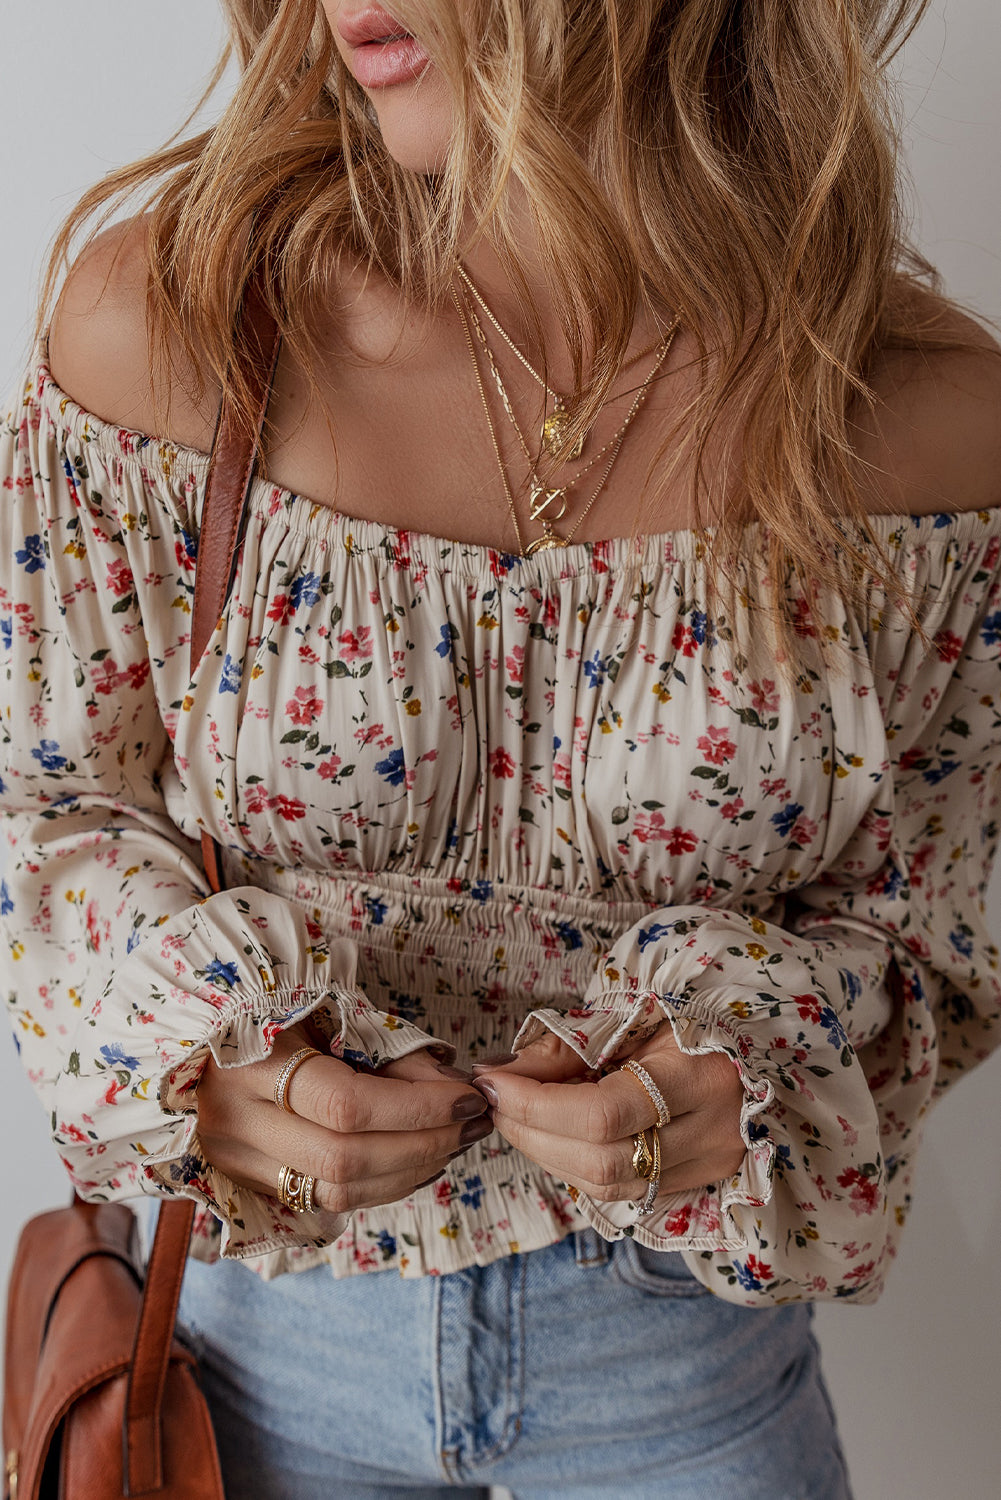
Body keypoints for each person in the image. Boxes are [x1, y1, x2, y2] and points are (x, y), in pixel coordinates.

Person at [3, 1, 1000, 1495]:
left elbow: (926, 939)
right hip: (250, 1360)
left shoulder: (926, 423)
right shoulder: (177, 327)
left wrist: (756, 1060)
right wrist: (198, 1066)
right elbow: (50, 806)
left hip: (686, 1371)